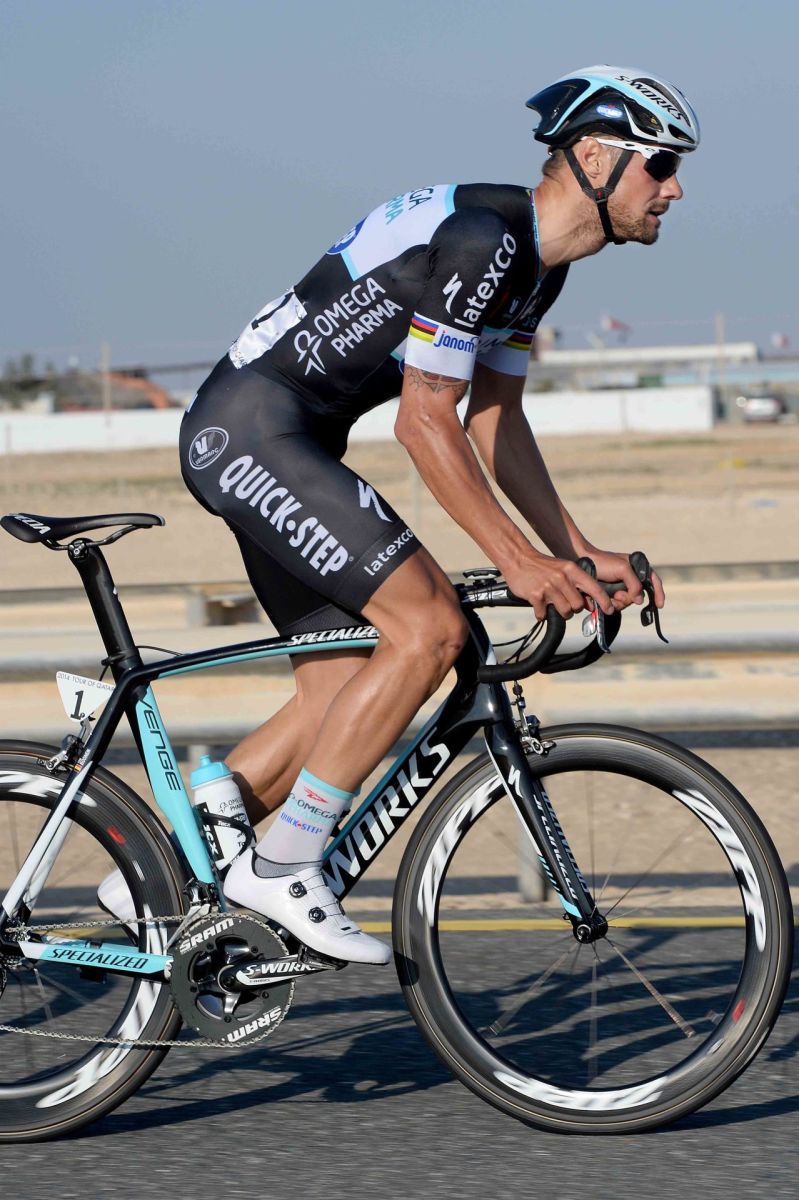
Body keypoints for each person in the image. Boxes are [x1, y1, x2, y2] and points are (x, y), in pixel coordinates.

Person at [149, 66, 702, 964]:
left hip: (285, 440)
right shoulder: (486, 242)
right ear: (596, 159)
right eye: (660, 165)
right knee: (430, 629)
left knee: (344, 689)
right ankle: (285, 863)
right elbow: (423, 419)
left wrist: (574, 549)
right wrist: (517, 561)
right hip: (250, 433)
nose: (673, 190)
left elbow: (494, 420)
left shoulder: (538, 270)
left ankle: (155, 874)